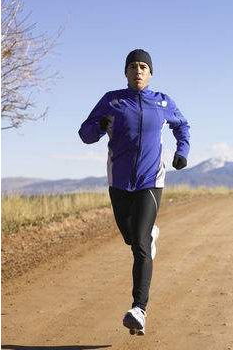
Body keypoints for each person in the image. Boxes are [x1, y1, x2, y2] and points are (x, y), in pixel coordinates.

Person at [78, 49, 190, 335]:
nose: (138, 71)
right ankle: (149, 234)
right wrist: (99, 126)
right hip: (119, 183)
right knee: (132, 237)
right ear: (125, 73)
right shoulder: (112, 100)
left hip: (150, 182)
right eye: (132, 67)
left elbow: (182, 126)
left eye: (143, 67)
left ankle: (139, 309)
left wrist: (182, 152)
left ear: (150, 73)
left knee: (140, 246)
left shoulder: (162, 102)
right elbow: (85, 133)